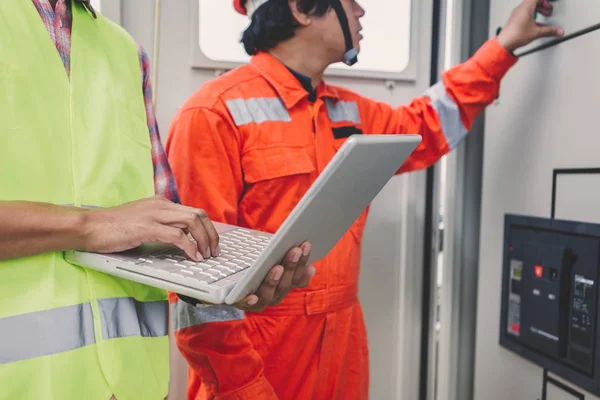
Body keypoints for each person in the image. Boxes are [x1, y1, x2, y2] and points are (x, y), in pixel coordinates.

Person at [165, 0, 563, 398]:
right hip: (257, 364)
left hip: (342, 353)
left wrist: (504, 45)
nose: (361, 12)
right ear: (302, 9)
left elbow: (429, 124)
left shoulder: (348, 112)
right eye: (350, 2)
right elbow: (196, 291)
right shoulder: (212, 114)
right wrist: (245, 388)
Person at [0, 1, 314, 399]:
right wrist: (90, 226)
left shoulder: (125, 52)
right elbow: (106, 226)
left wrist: (228, 282)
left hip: (133, 385)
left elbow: (161, 227)